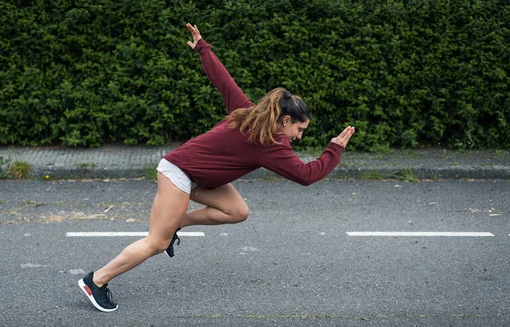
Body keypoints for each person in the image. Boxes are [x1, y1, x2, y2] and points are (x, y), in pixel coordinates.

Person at [78, 23, 355, 312]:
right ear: (286, 120)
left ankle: (177, 223)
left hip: (198, 177)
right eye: (300, 129)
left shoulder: (247, 111)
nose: (300, 136)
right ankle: (96, 280)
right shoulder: (270, 142)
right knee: (156, 243)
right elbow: (306, 175)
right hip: (178, 172)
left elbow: (222, 80)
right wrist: (334, 149)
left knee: (237, 212)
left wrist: (203, 49)